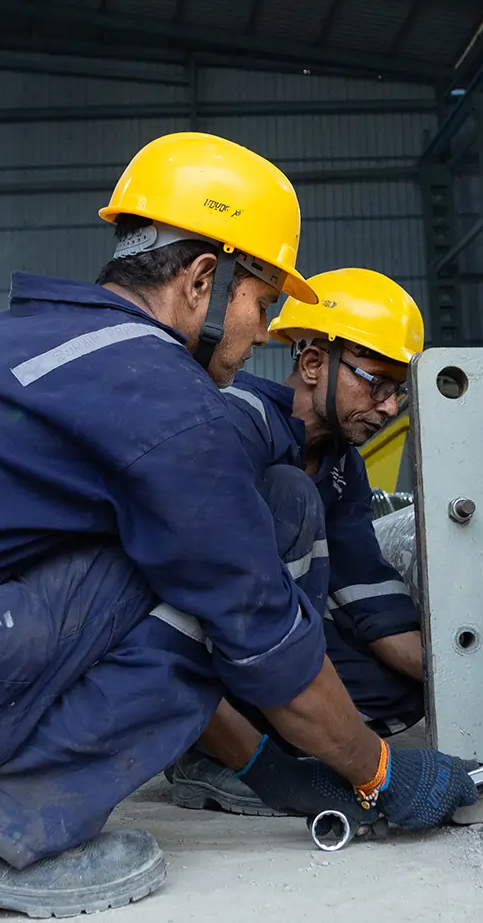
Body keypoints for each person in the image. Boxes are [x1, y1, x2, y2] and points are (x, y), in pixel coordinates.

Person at [0, 133, 476, 923]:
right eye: (262, 305)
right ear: (202, 280)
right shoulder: (161, 395)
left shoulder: (5, 339)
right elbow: (258, 632)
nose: (260, 334)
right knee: (251, 529)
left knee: (179, 537)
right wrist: (380, 769)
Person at [169, 268, 428, 816]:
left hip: (273, 650)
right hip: (204, 646)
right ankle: (207, 751)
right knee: (291, 492)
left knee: (403, 692)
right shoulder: (233, 420)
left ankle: (281, 735)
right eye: (376, 384)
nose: (389, 408)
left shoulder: (343, 466)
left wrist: (465, 673)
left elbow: (367, 589)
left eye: (398, 392)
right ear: (312, 364)